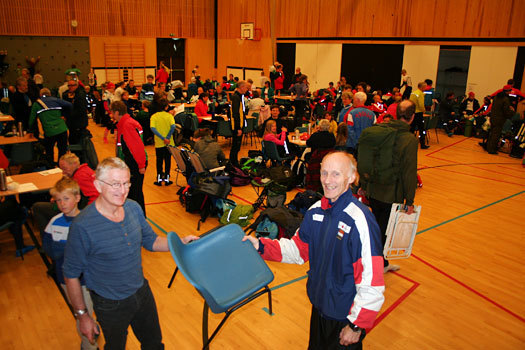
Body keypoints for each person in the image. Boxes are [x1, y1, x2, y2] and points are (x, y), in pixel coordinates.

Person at [243, 151, 385, 349]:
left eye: (336, 174)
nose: (327, 180)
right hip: (319, 308)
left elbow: (371, 280)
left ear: (351, 178)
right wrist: (261, 245)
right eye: (324, 173)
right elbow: (297, 250)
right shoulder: (315, 211)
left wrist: (356, 325)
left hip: (344, 316)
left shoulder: (360, 220)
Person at [63, 157, 198, 349]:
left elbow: (151, 241)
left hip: (141, 293)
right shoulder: (83, 226)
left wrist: (179, 242)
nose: (123, 190)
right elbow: (71, 275)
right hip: (109, 303)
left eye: (126, 183)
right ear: (98, 185)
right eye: (116, 184)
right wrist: (83, 315)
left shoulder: (133, 208)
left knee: (154, 344)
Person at [42, 177, 98, 350]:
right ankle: (90, 340)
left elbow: (94, 252)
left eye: (66, 199)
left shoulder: (87, 221)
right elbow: (49, 250)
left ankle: (90, 340)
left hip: (88, 280)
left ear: (77, 198)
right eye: (58, 200)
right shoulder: (54, 223)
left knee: (85, 313)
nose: (62, 204)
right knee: (81, 313)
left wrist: (65, 249)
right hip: (66, 280)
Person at [364, 100, 418, 273]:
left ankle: (378, 262)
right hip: (391, 194)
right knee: (384, 231)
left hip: (373, 189)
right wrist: (410, 200)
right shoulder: (409, 140)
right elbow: (409, 172)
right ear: (412, 117)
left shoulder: (382, 132)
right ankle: (377, 265)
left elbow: (370, 159)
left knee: (376, 227)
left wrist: (363, 185)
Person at [111, 101, 148, 215]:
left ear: (117, 112)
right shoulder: (125, 123)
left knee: (135, 194)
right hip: (132, 163)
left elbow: (137, 148)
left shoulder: (127, 125)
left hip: (135, 164)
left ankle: (139, 219)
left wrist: (141, 166)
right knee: (134, 193)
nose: (111, 115)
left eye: (112, 113)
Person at [28, 88, 72, 165]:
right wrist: (65, 115)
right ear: (50, 94)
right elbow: (70, 105)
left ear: (40, 95)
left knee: (49, 151)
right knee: (62, 151)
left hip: (49, 131)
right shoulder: (56, 100)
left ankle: (50, 167)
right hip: (62, 129)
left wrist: (30, 129)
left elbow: (32, 119)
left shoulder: (37, 104)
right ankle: (61, 167)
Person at [150, 98, 175, 186]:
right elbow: (173, 127)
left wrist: (162, 138)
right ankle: (167, 180)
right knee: (168, 161)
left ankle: (159, 180)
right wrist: (167, 137)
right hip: (169, 143)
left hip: (159, 143)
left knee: (159, 161)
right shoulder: (169, 116)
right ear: (166, 107)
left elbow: (153, 128)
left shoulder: (154, 116)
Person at [486, 85, 515, 154]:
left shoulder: (496, 97)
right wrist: (512, 112)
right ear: (507, 91)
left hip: (493, 118)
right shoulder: (505, 99)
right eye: (510, 91)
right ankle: (492, 150)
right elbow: (506, 111)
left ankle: (488, 147)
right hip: (499, 119)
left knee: (492, 133)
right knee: (496, 135)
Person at [229, 81, 248, 167]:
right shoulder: (236, 97)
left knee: (237, 146)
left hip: (240, 124)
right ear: (241, 87)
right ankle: (233, 163)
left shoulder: (239, 97)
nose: (247, 89)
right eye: (246, 87)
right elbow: (235, 113)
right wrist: (238, 128)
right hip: (237, 126)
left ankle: (234, 161)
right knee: (235, 146)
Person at [63, 79, 88, 145]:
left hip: (79, 123)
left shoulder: (80, 94)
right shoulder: (66, 94)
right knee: (72, 140)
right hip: (71, 123)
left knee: (78, 142)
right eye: (69, 85)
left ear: (77, 85)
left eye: (72, 85)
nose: (70, 87)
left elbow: (81, 109)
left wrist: (69, 115)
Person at [409, 81, 429, 149]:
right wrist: (424, 110)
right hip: (419, 113)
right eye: (425, 87)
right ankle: (422, 144)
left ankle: (409, 143)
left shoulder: (413, 93)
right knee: (421, 129)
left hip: (413, 112)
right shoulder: (420, 94)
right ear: (422, 87)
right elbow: (421, 105)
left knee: (412, 129)